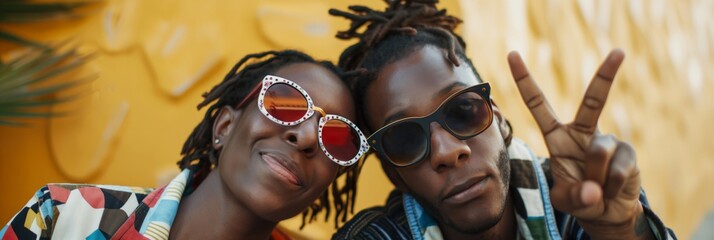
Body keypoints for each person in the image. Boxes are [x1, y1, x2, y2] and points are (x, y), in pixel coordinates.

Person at [329, 1, 676, 239]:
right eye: (405, 139)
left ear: (499, 119)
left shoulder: (582, 199)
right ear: (393, 173)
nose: (447, 152)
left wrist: (623, 232)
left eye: (462, 111)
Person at [0, 50, 369, 240]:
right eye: (285, 103)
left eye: (336, 138)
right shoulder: (62, 217)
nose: (305, 137)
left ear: (328, 182)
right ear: (224, 126)